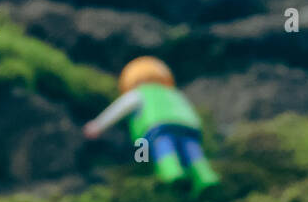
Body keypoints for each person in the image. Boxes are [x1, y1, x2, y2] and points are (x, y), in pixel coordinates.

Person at [84, 56, 220, 193]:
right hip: (188, 127)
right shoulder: (174, 93)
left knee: (162, 149)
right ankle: (205, 176)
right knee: (193, 151)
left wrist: (98, 125)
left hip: (156, 127)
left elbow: (120, 108)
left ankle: (171, 174)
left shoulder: (139, 93)